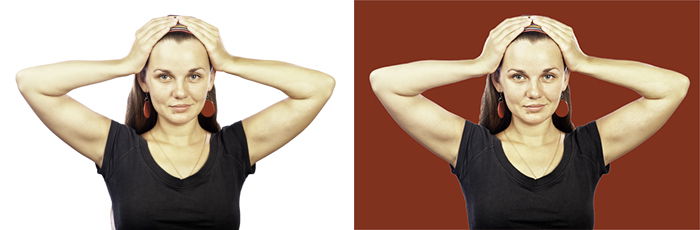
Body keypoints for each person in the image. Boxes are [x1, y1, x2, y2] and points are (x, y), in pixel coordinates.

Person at [16, 15, 334, 229]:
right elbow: (32, 82)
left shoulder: (235, 148)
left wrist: (229, 61)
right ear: (144, 81)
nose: (179, 92)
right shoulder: (116, 147)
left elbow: (318, 87)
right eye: (164, 76)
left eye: (194, 75)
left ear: (210, 79)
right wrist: (125, 63)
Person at [369, 15, 688, 228]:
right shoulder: (472, 148)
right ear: (497, 82)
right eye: (518, 76)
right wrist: (478, 64)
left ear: (564, 79)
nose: (534, 92)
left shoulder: (589, 148)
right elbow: (385, 82)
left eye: (548, 75)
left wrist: (584, 61)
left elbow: (672, 87)